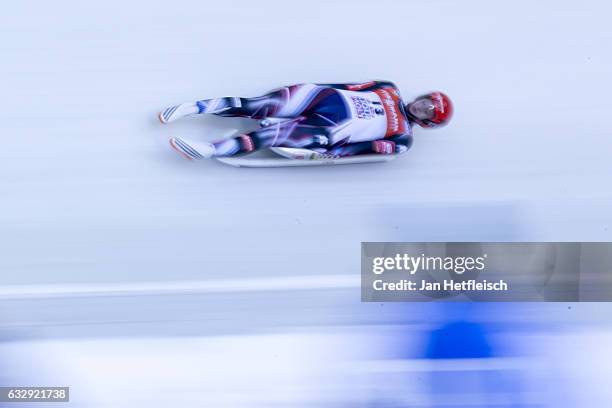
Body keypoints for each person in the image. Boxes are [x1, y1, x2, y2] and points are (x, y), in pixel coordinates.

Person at [158, 81, 453, 160]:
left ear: (429, 122)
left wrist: (326, 154)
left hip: (329, 130)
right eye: (427, 101)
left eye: (429, 111)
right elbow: (349, 86)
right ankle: (192, 108)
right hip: (321, 97)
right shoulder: (389, 87)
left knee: (272, 137)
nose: (423, 107)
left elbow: (364, 151)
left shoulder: (402, 139)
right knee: (256, 105)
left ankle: (210, 150)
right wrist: (312, 87)